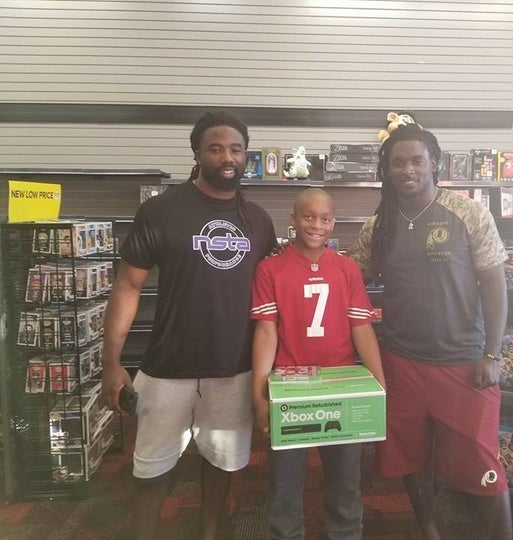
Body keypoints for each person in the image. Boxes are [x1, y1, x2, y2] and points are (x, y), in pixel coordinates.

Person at [101, 111, 278, 540]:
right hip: (167, 366)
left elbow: (273, 296)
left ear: (246, 154)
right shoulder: (161, 211)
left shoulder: (258, 219)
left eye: (235, 149)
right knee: (150, 470)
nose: (227, 157)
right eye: (216, 148)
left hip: (233, 367)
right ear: (197, 153)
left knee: (222, 464)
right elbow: (127, 285)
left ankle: (210, 533)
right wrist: (111, 361)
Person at [348, 122, 513, 540]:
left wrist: (492, 355)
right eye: (398, 162)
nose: (408, 169)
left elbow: (495, 286)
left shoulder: (468, 213)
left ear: (434, 164)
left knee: (484, 463)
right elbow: (350, 279)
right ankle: (430, 530)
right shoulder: (378, 225)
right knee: (409, 457)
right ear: (387, 170)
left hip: (464, 363)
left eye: (417, 160)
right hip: (401, 362)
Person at [250, 188, 385, 540]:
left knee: (345, 484)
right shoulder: (270, 269)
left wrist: (379, 386)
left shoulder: (347, 269)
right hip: (290, 389)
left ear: (334, 223)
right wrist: (259, 395)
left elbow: (362, 329)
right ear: (293, 219)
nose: (316, 225)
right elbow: (266, 334)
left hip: (341, 386)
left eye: (324, 218)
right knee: (285, 485)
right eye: (307, 216)